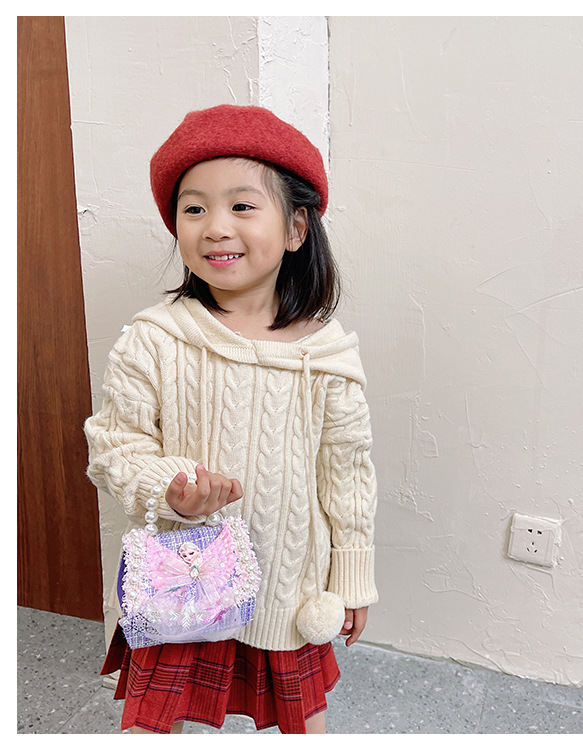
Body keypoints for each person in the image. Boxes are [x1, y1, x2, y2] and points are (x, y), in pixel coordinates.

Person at [84, 104, 378, 735]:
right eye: (194, 209)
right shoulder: (154, 340)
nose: (216, 227)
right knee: (152, 724)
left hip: (287, 585)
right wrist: (171, 489)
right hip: (181, 580)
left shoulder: (325, 354)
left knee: (304, 722)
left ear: (296, 227)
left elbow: (347, 474)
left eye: (242, 206)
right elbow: (115, 448)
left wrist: (352, 576)